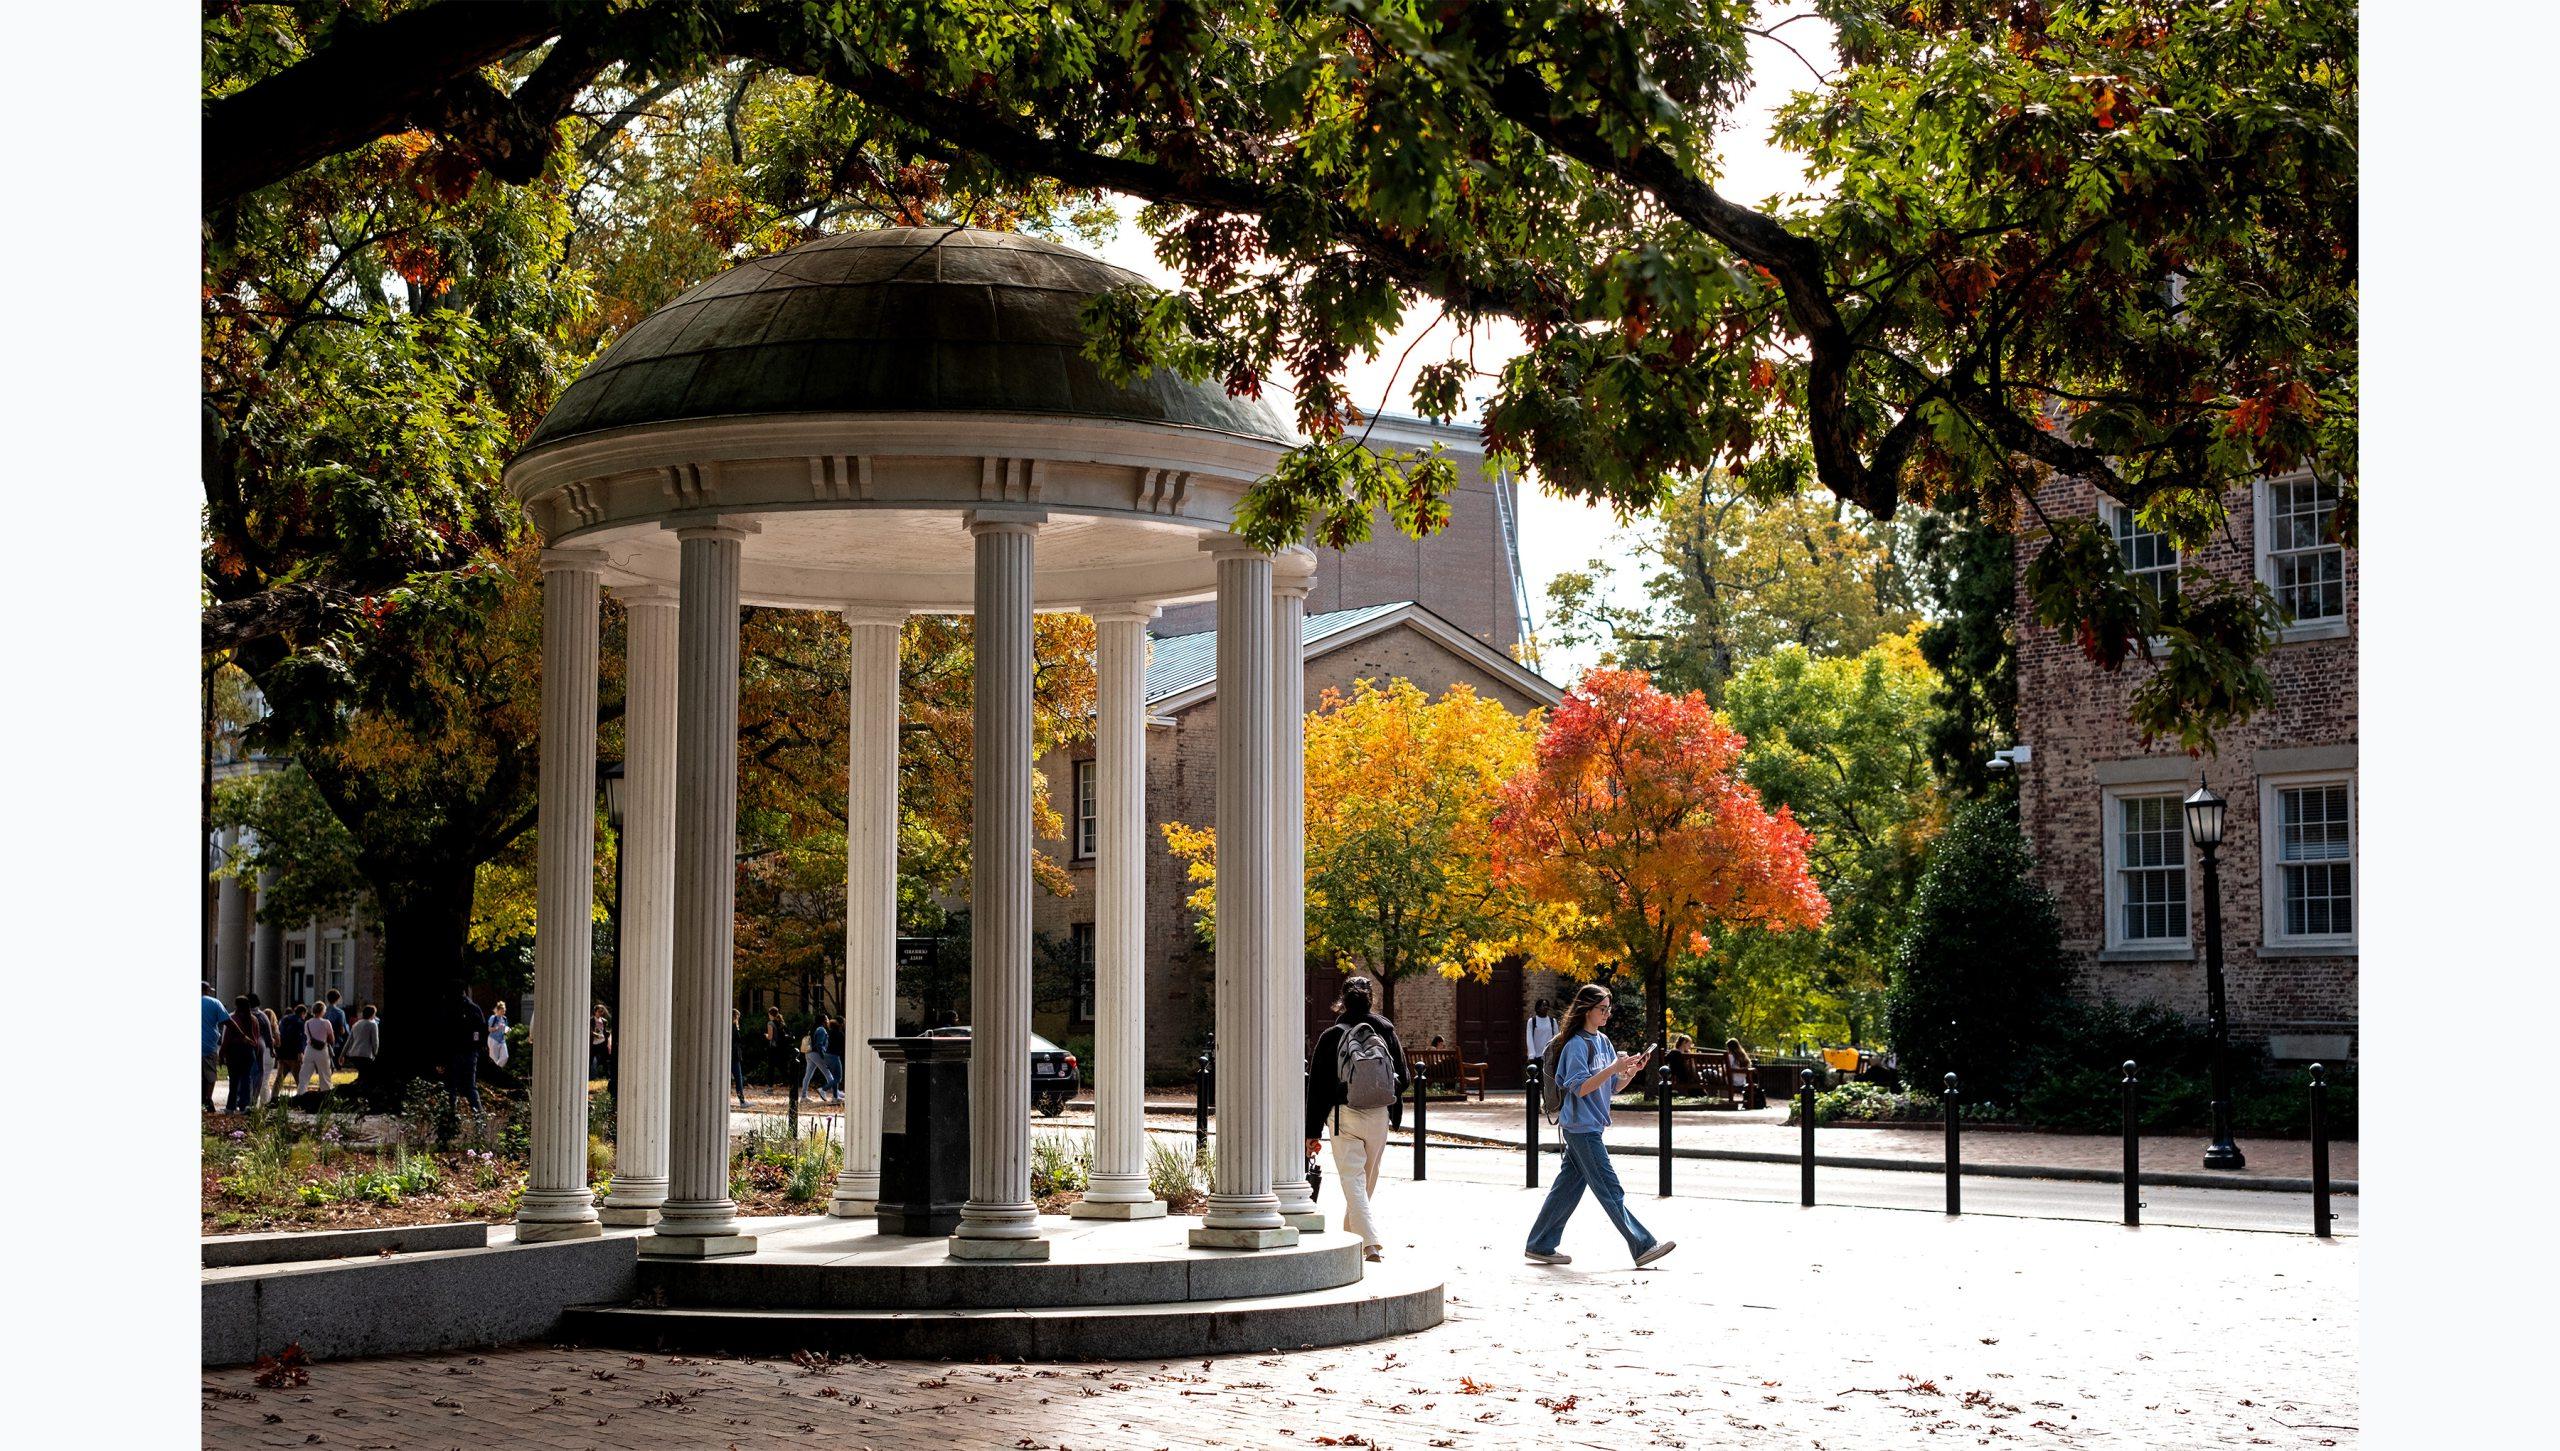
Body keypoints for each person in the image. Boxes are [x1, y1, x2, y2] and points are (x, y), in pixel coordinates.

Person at [1524, 983, 1677, 1268]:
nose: (1607, 1014)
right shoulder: (1574, 1046)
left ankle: (1540, 1244)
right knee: (1610, 1187)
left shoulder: (1604, 1042)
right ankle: (1643, 1245)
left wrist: (1630, 1072)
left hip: (1592, 1124)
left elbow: (1612, 1086)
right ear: (1587, 1010)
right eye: (1602, 1009)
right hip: (1580, 1126)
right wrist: (1613, 1068)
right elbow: (1579, 1087)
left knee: (1566, 1189)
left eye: (1609, 1009)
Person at [1304, 975, 1409, 1263]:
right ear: (1371, 999)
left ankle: (1368, 1242)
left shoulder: (1330, 1037)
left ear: (1342, 1001)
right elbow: (1406, 1077)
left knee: (1353, 1181)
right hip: (1378, 1115)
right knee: (1366, 1182)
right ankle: (1357, 1239)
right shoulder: (1386, 1030)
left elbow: (1317, 1089)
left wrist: (1311, 1132)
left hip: (1343, 1115)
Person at [219, 996, 263, 1113]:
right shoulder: (253, 1019)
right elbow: (256, 1038)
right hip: (249, 1051)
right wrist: (256, 1052)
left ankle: (231, 1106)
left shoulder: (232, 1018)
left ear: (236, 1005)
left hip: (234, 1051)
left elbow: (227, 1038)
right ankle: (244, 1105)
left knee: (233, 1080)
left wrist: (221, 1053)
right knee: (246, 1078)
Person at [446, 990, 487, 1116]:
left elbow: (444, 1031)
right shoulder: (474, 1009)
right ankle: (479, 1115)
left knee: (452, 1086)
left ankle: (451, 1115)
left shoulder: (450, 1007)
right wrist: (478, 1046)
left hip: (454, 1052)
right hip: (470, 1052)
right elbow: (482, 1029)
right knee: (471, 1086)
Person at [297, 1001, 337, 1094]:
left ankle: (300, 1096)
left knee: (304, 1076)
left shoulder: (307, 1022)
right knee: (325, 1077)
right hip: (322, 1050)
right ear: (323, 1011)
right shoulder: (326, 1022)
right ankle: (325, 1097)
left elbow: (307, 1035)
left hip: (309, 1050)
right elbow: (332, 1039)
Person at [799, 1017, 841, 1103]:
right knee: (828, 1073)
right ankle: (835, 1095)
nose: (828, 1020)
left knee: (808, 1075)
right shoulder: (821, 1029)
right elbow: (819, 1045)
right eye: (827, 1019)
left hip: (808, 1053)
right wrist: (823, 1056)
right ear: (823, 1021)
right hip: (816, 1054)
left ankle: (803, 1096)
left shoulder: (813, 1028)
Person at [342, 1004, 380, 1096]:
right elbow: (375, 1042)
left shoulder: (356, 1024)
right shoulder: (373, 1024)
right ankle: (359, 1095)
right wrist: (375, 1054)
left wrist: (342, 1054)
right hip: (366, 1055)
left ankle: (356, 1093)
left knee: (362, 1075)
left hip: (354, 1054)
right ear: (372, 1014)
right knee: (366, 1077)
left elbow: (349, 1041)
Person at [202, 983, 228, 1112]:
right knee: (210, 1075)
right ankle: (208, 1099)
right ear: (206, 990)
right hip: (208, 1046)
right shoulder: (214, 1003)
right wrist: (242, 1035)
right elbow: (227, 1021)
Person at [274, 1005, 309, 1101]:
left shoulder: (284, 1020)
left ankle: (274, 1097)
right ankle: (302, 1098)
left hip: (282, 1053)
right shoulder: (300, 1022)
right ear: (302, 1013)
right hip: (293, 1054)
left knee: (279, 1078)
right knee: (299, 1078)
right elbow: (299, 1038)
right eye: (305, 1015)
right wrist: (300, 1052)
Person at [1524, 999, 1559, 1067]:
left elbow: (1556, 1038)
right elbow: (1529, 1038)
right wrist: (1531, 1055)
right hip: (1536, 1057)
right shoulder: (1532, 1021)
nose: (1545, 1007)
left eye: (1547, 1005)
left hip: (1549, 1057)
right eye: (1543, 1005)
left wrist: (1555, 1054)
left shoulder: (1552, 1021)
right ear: (1538, 1008)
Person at [590, 1002, 615, 1086]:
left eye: (602, 1011)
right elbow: (589, 1030)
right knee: (590, 1059)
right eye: (599, 1011)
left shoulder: (604, 1021)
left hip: (602, 1043)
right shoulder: (591, 1020)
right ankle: (589, 1076)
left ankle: (608, 1076)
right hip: (593, 1043)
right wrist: (595, 1034)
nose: (601, 1013)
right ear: (595, 1011)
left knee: (605, 1060)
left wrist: (608, 1034)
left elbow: (604, 1031)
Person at [730, 1008, 750, 1108]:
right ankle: (742, 1101)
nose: (738, 1019)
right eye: (737, 1017)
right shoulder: (733, 1026)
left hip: (731, 1055)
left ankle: (741, 1100)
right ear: (735, 1017)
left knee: (736, 1078)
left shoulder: (730, 1026)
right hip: (734, 1056)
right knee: (738, 1078)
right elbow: (738, 1040)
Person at [486, 1001, 512, 1068]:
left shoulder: (504, 1018)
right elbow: (489, 1029)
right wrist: (497, 1028)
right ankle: (494, 1073)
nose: (503, 1012)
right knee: (494, 1059)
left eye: (504, 1011)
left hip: (502, 1040)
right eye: (502, 1011)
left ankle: (497, 1069)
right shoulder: (493, 1018)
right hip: (493, 1040)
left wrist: (508, 1030)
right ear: (498, 1010)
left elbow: (505, 1028)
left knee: (505, 1057)